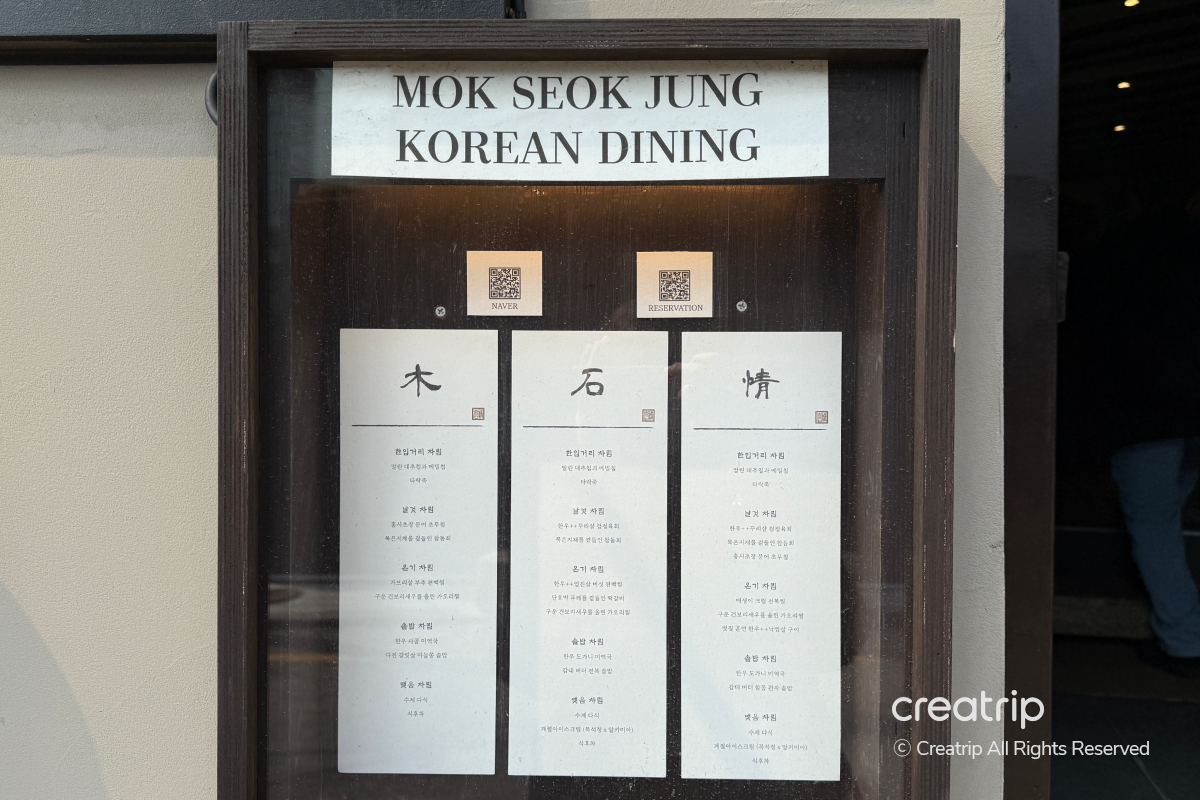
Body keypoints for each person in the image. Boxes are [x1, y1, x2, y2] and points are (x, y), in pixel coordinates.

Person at [1065, 178, 1200, 677]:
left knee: (1154, 524)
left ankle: (1184, 642)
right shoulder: (1188, 251)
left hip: (1142, 414)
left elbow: (1084, 336)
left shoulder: (1114, 255)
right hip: (1186, 411)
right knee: (1168, 518)